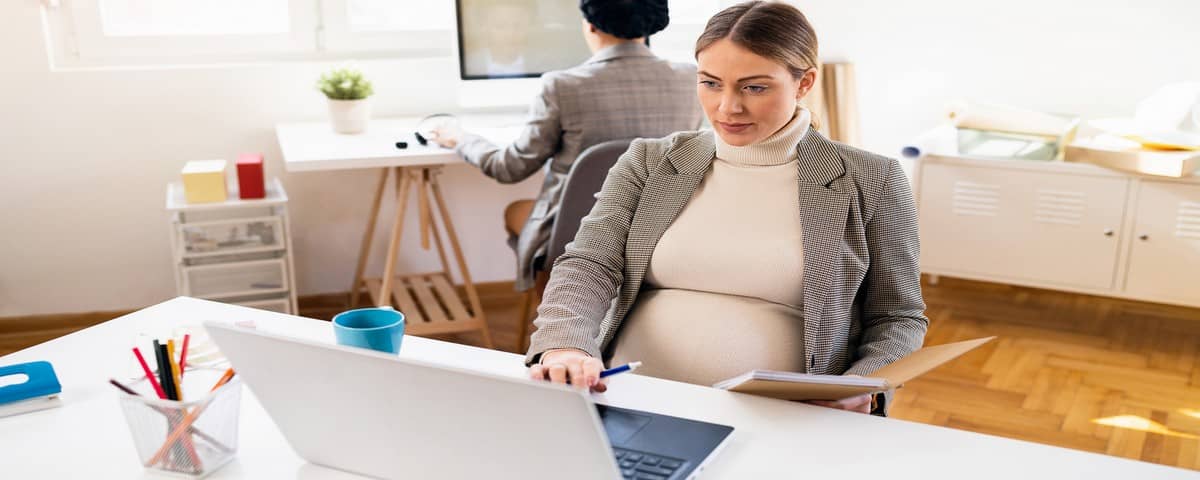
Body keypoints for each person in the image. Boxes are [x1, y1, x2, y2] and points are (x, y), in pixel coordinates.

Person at [524, 0, 928, 416]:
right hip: (629, 399)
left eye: (754, 87)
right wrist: (565, 344)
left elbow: (898, 317)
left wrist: (863, 386)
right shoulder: (648, 161)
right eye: (711, 83)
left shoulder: (871, 179)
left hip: (784, 418)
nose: (727, 107)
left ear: (804, 83)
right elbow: (590, 263)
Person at [432, 0, 704, 293]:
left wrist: (460, 138)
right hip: (659, 232)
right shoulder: (692, 79)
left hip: (581, 233)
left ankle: (554, 304)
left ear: (591, 25)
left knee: (516, 211)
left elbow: (509, 168)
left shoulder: (562, 86)